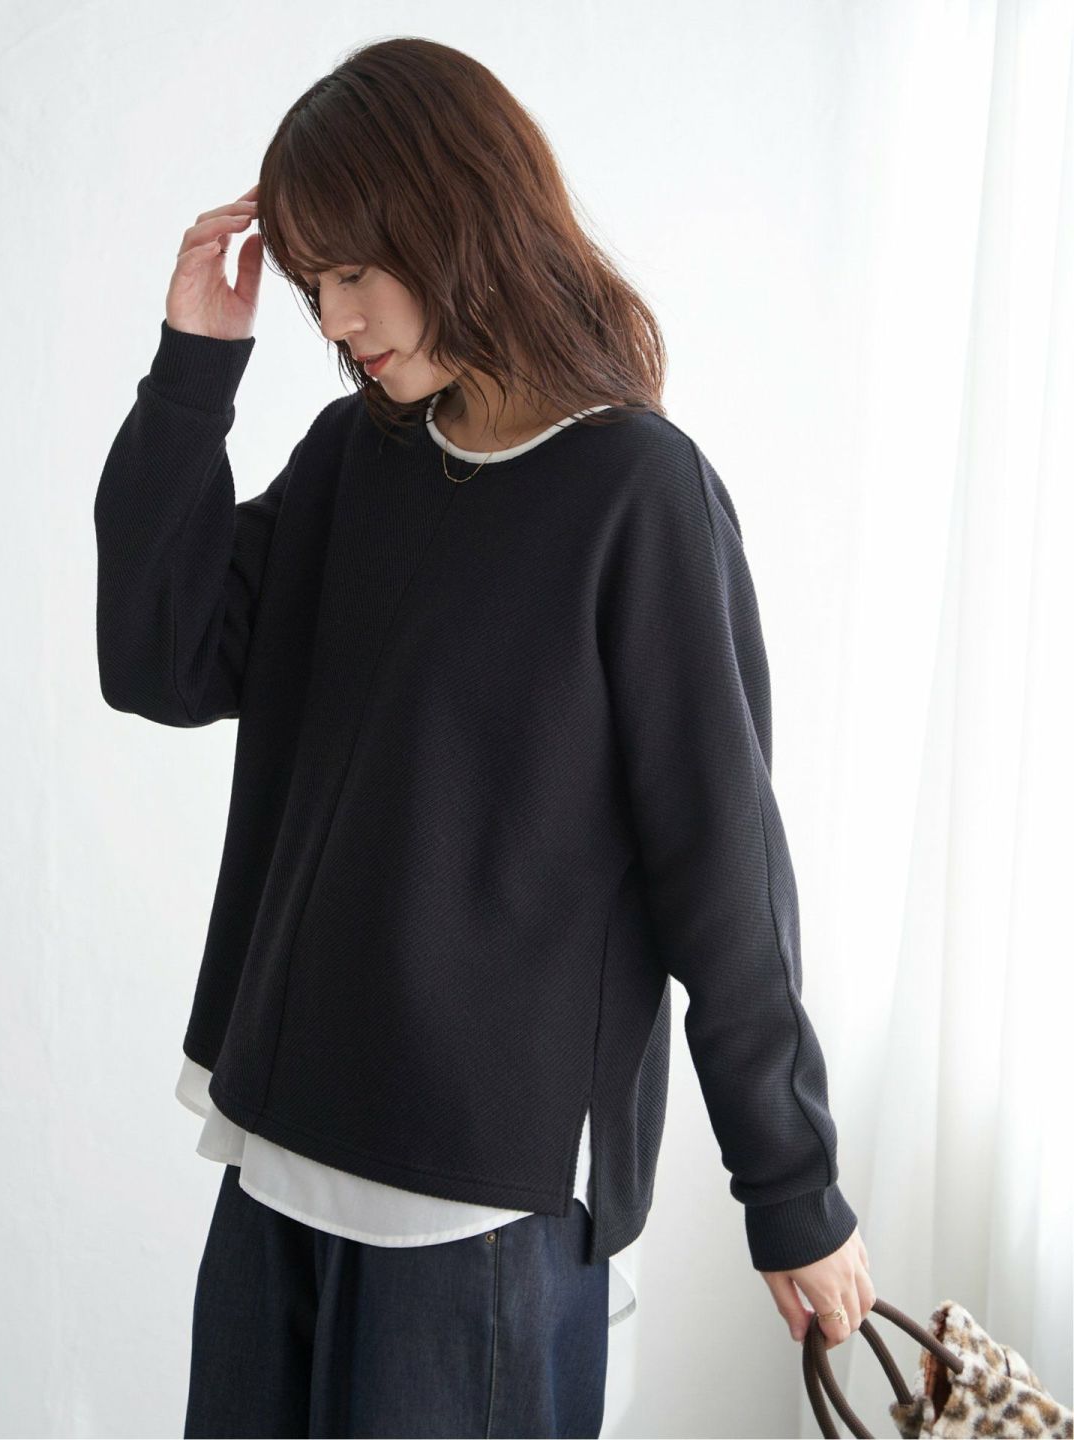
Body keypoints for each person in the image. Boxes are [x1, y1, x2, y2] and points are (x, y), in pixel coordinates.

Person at [94, 36, 876, 1440]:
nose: (338, 320)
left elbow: (723, 874)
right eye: (315, 285)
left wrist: (793, 1192)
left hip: (478, 1209)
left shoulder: (638, 495)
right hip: (277, 1155)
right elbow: (158, 657)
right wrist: (195, 369)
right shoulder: (355, 460)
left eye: (355, 273)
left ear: (455, 220)